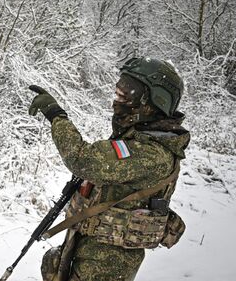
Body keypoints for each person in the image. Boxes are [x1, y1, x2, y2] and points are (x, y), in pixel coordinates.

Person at [29, 57, 190, 281]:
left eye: (126, 95)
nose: (117, 101)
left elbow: (83, 160)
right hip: (89, 249)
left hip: (107, 265)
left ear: (153, 101)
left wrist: (56, 115)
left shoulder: (152, 153)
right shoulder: (140, 141)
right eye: (118, 93)